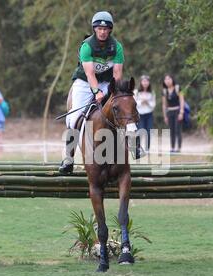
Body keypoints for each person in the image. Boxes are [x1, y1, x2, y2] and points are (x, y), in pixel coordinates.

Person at [59, 11, 144, 174]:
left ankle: (134, 145)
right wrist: (96, 92)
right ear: (94, 29)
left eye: (106, 29)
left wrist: (116, 92)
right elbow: (90, 74)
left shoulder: (117, 47)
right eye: (99, 28)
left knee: (122, 108)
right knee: (73, 118)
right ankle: (68, 159)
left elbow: (118, 73)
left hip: (106, 82)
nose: (103, 31)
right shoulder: (87, 46)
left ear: (110, 30)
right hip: (84, 82)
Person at [162, 74, 185, 153]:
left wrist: (181, 112)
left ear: (172, 79)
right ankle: (172, 147)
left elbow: (182, 100)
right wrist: (165, 116)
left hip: (177, 110)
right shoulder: (164, 91)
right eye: (166, 79)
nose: (167, 81)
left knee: (177, 130)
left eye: (169, 79)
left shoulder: (177, 88)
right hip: (169, 112)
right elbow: (164, 104)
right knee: (171, 130)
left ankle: (178, 148)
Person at [134, 75, 155, 150]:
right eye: (143, 81)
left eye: (147, 81)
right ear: (141, 82)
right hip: (140, 115)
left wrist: (147, 102)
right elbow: (134, 103)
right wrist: (141, 102)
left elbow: (153, 105)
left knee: (148, 132)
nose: (145, 83)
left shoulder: (151, 92)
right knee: (140, 131)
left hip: (149, 115)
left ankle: (147, 148)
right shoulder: (136, 92)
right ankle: (137, 147)